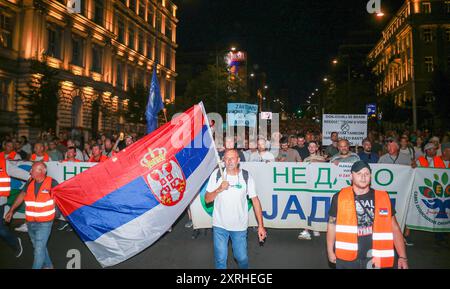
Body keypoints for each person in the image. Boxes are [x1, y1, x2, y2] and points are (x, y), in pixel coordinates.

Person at [326, 160, 408, 269]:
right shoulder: (340, 197)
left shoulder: (382, 197)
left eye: (366, 173)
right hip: (347, 258)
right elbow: (332, 225)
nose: (363, 177)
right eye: (359, 174)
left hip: (376, 256)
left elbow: (395, 228)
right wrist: (330, 250)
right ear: (351, 176)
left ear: (371, 176)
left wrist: (402, 257)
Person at [205, 149, 267, 269]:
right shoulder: (217, 174)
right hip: (219, 225)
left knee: (241, 257)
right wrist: (219, 189)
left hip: (239, 226)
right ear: (223, 161)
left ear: (238, 160)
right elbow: (207, 199)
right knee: (220, 259)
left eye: (232, 158)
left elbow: (255, 200)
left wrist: (261, 225)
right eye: (227, 158)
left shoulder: (246, 176)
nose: (229, 161)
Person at [5, 162, 59, 269]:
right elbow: (22, 194)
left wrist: (57, 213)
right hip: (30, 221)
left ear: (42, 171)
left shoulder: (52, 183)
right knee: (39, 246)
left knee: (38, 249)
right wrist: (11, 210)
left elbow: (60, 199)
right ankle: (48, 265)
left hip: (45, 222)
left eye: (32, 170)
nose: (30, 172)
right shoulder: (30, 181)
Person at [0, 151, 29, 258]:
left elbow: (18, 172)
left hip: (0, 201)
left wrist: (35, 177)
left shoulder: (3, 163)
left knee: (1, 229)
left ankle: (15, 242)